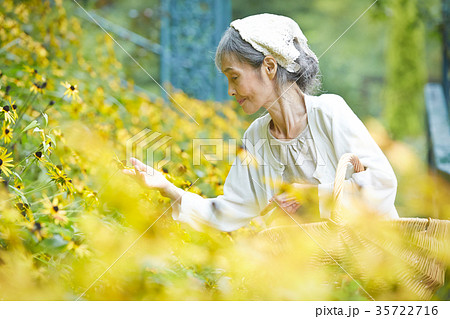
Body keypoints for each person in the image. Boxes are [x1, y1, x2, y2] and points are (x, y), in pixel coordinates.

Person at [123, 13, 399, 233]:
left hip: (376, 264)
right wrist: (167, 188)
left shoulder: (329, 111)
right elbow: (229, 212)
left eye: (234, 77)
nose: (230, 90)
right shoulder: (255, 137)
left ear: (269, 67)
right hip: (315, 277)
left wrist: (312, 198)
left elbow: (382, 185)